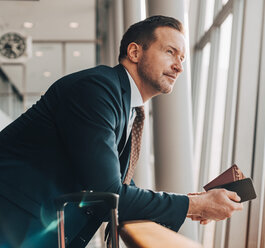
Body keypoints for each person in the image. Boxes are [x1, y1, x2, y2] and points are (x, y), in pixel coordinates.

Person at [0, 15, 242, 247]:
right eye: (170, 52)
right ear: (135, 52)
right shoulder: (96, 91)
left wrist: (193, 202)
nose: (178, 67)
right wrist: (194, 205)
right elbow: (106, 194)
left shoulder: (123, 104)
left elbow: (121, 183)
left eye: (183, 58)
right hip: (12, 225)